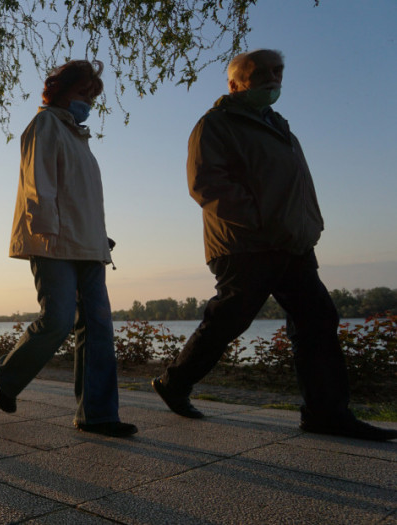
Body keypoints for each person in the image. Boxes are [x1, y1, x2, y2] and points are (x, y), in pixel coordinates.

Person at [152, 49, 396, 442]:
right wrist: (264, 221)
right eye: (260, 72)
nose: (272, 79)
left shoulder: (281, 127)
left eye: (277, 71)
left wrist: (310, 225)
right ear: (234, 84)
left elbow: (299, 186)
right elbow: (207, 184)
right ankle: (175, 381)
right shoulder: (216, 124)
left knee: (317, 318)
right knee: (231, 319)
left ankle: (326, 413)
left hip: (293, 244)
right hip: (245, 244)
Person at [0, 60, 137, 438]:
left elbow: (85, 199)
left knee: (99, 328)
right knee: (57, 319)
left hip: (88, 245)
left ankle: (98, 414)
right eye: (83, 92)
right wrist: (45, 229)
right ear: (61, 89)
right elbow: (39, 184)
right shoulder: (45, 125)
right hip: (51, 240)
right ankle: (7, 374)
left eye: (92, 95)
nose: (88, 100)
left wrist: (99, 235)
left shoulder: (80, 138)